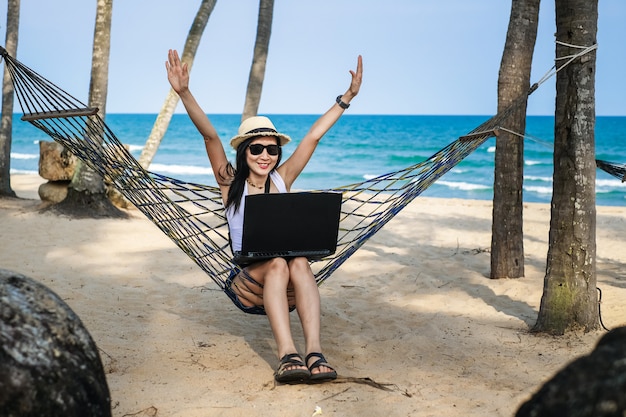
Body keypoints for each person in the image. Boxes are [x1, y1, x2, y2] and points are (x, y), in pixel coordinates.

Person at [165, 49, 363, 383]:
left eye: (272, 149)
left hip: (287, 270)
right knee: (277, 263)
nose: (265, 155)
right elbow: (210, 136)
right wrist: (184, 92)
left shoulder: (281, 179)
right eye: (256, 148)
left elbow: (313, 137)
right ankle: (287, 353)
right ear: (244, 152)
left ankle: (314, 352)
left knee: (298, 261)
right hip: (250, 274)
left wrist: (347, 98)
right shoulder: (231, 182)